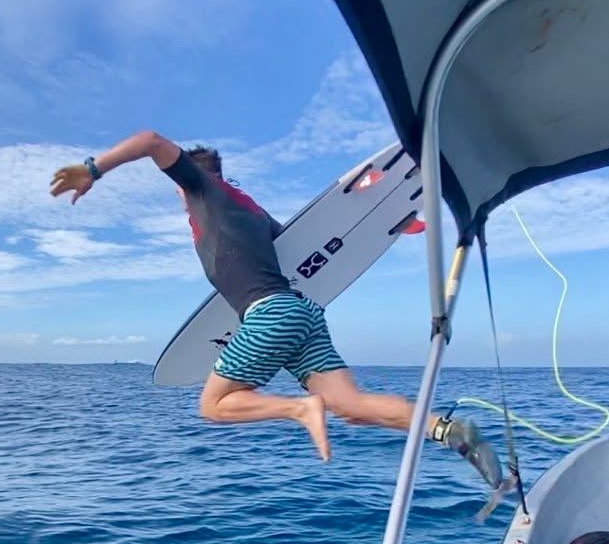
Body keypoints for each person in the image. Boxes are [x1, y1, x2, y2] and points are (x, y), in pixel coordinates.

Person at [49, 130, 501, 487]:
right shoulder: (250, 211)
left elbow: (150, 140)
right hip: (303, 314)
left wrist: (93, 168)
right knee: (352, 406)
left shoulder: (205, 193)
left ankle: (299, 410)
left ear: (192, 180)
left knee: (213, 406)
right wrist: (386, 220)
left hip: (269, 314)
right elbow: (312, 249)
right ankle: (450, 431)